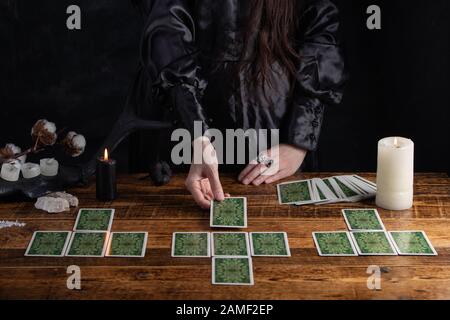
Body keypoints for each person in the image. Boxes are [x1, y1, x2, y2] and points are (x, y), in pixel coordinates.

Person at [133, 0, 346, 209]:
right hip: (182, 132)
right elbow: (167, 34)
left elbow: (321, 39)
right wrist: (198, 133)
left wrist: (298, 141)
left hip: (277, 135)